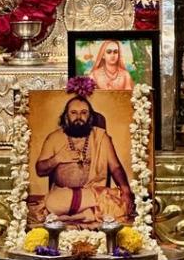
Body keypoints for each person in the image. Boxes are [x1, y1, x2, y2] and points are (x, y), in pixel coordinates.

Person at [34, 96, 135, 225]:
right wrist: (57, 159)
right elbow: (40, 170)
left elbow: (115, 167)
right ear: (66, 117)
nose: (79, 117)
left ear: (90, 117)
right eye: (73, 113)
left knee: (122, 202)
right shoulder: (53, 138)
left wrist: (126, 191)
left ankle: (69, 217)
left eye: (84, 112)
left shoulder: (101, 137)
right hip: (63, 195)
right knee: (53, 202)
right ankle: (90, 213)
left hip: (93, 192)